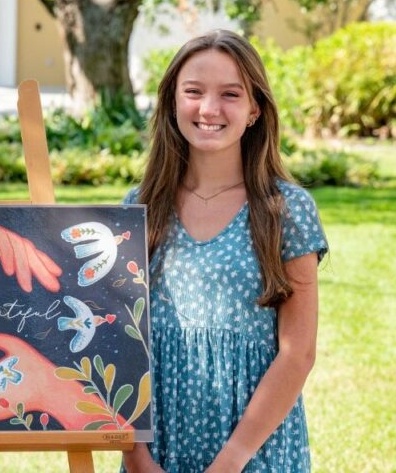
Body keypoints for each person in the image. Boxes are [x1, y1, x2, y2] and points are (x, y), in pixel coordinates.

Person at [121, 30, 327, 472]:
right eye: (193, 92)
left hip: (255, 450)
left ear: (254, 109)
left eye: (230, 94)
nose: (209, 109)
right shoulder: (136, 210)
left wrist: (231, 461)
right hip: (158, 449)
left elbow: (298, 353)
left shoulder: (285, 210)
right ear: (172, 101)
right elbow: (117, 346)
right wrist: (135, 456)